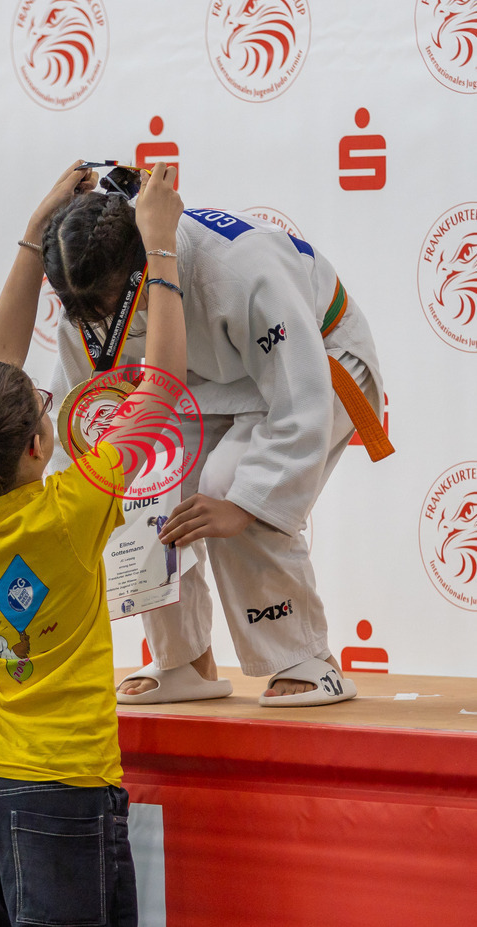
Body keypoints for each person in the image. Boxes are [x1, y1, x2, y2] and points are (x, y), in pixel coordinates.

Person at [0, 160, 185, 927]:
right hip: (60, 792)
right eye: (45, 408)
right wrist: (160, 245)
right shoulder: (70, 512)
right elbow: (162, 385)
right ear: (41, 446)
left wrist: (34, 236)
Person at [42, 183, 393, 708]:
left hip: (320, 358)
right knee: (135, 482)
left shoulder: (242, 269)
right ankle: (184, 659)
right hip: (208, 382)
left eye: (112, 306)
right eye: (86, 313)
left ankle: (305, 658)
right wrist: (69, 505)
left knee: (229, 485)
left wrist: (246, 504)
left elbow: (300, 398)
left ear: (142, 265)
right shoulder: (88, 286)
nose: (100, 320)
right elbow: (80, 412)